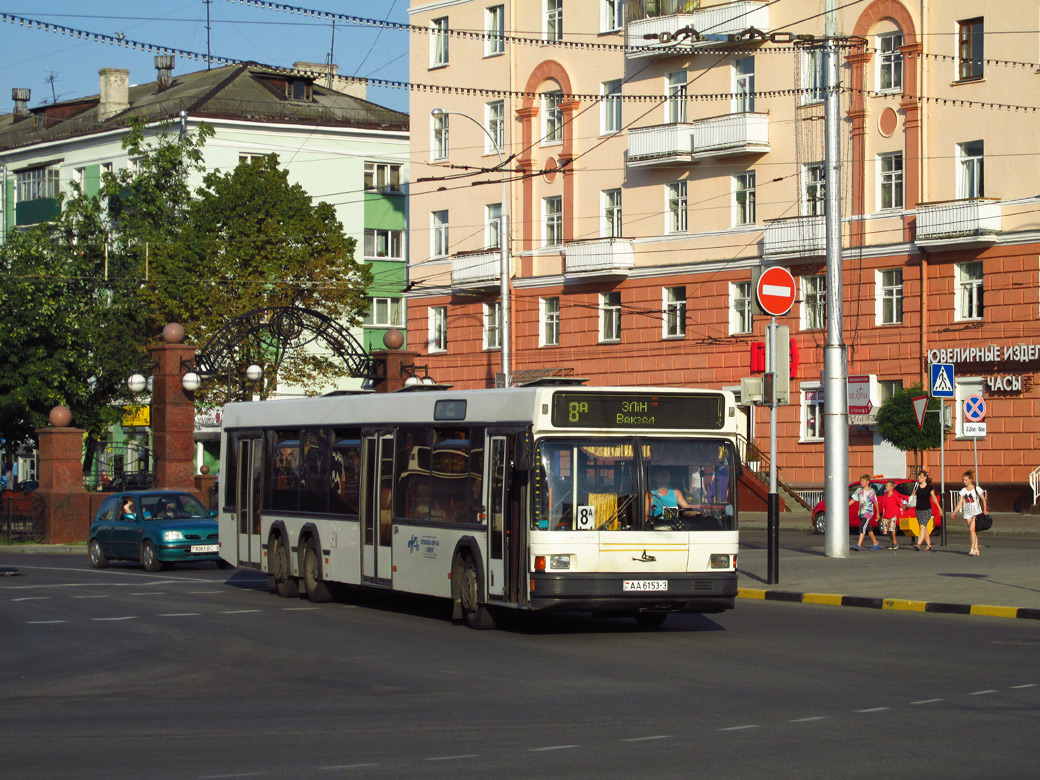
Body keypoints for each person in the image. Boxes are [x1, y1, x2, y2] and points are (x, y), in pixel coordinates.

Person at [952, 469, 988, 556]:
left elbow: (983, 499)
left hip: (976, 512)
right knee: (973, 532)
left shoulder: (976, 488)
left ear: (970, 480)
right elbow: (960, 503)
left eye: (966, 480)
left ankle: (972, 549)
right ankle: (976, 549)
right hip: (967, 513)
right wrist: (955, 511)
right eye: (963, 480)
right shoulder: (963, 491)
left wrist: (985, 509)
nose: (964, 482)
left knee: (971, 529)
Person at [849, 474, 880, 551]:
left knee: (862, 527)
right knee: (868, 528)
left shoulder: (871, 491)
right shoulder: (859, 490)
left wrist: (878, 513)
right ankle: (875, 543)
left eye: (863, 481)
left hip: (868, 512)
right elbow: (853, 500)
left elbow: (875, 502)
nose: (862, 482)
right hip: (861, 512)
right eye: (861, 481)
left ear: (868, 482)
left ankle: (859, 545)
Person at [912, 470, 941, 551]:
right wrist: (913, 494)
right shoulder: (917, 486)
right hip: (918, 510)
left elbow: (934, 498)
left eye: (921, 476)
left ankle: (918, 544)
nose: (919, 478)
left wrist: (939, 508)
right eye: (919, 476)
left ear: (925, 478)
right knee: (924, 527)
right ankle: (929, 545)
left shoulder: (929, 487)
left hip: (927, 510)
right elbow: (913, 497)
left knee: (922, 526)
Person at [877, 479, 903, 550]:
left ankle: (895, 543)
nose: (886, 488)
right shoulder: (885, 496)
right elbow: (884, 507)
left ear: (892, 487)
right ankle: (892, 542)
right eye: (886, 486)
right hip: (887, 515)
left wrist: (905, 507)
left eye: (888, 486)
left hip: (893, 515)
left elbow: (900, 504)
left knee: (892, 529)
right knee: (888, 531)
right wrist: (883, 516)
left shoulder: (894, 496)